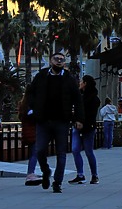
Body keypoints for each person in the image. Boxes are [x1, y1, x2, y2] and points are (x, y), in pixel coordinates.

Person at [27, 51, 82, 193]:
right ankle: (46, 171)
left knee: (61, 153)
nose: (59, 61)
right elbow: (30, 92)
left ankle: (57, 182)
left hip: (62, 121)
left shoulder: (69, 79)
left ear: (64, 63)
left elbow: (78, 100)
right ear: (51, 61)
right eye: (56, 59)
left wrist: (78, 119)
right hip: (43, 120)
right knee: (39, 150)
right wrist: (33, 108)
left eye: (62, 59)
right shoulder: (41, 76)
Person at [70, 74, 100, 184]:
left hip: (88, 128)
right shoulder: (79, 97)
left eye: (81, 81)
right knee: (75, 149)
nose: (80, 83)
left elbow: (90, 114)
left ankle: (94, 175)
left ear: (85, 83)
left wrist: (81, 121)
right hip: (77, 127)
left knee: (88, 151)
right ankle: (80, 174)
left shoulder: (93, 99)